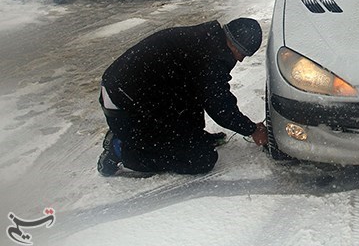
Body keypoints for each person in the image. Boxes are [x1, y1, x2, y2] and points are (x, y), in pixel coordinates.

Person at [97, 17, 269, 177]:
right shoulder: (210, 57)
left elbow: (199, 94)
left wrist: (194, 135)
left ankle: (192, 138)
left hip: (142, 94)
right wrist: (251, 129)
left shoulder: (207, 40)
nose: (240, 60)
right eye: (243, 54)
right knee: (200, 160)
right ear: (233, 45)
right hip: (126, 106)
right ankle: (121, 149)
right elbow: (219, 105)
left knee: (193, 94)